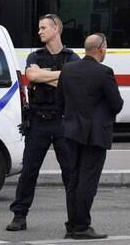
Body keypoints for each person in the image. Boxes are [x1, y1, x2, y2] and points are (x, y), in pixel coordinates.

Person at [7, 14, 80, 232]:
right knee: (29, 171)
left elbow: (72, 82)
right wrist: (60, 76)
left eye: (43, 27)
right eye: (39, 28)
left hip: (63, 121)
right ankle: (19, 215)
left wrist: (46, 75)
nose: (39, 31)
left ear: (56, 29)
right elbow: (32, 76)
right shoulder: (35, 55)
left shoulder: (72, 57)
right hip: (38, 121)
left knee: (70, 173)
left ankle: (75, 220)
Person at [56, 33, 123, 240]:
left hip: (71, 132)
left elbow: (60, 102)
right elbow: (117, 104)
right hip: (95, 135)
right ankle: (82, 226)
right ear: (101, 48)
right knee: (87, 181)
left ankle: (71, 225)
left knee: (73, 179)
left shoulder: (67, 70)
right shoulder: (104, 72)